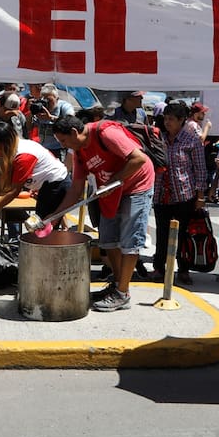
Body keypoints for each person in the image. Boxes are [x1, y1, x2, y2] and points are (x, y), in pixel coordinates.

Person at [53, 114, 155, 312]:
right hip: (111, 188)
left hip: (136, 186)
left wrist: (113, 181)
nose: (64, 146)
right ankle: (117, 285)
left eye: (64, 141)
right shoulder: (79, 152)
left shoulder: (105, 133)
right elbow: (75, 189)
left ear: (74, 132)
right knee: (108, 240)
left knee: (130, 241)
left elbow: (139, 158)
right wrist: (56, 216)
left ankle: (123, 293)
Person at [0, 120, 71, 228]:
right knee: (40, 227)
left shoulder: (23, 155)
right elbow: (1, 182)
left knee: (43, 229)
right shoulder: (10, 151)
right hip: (46, 187)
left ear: (6, 142)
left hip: (56, 185)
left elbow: (14, 191)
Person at [151, 101, 207, 285]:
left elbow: (200, 170)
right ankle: (159, 268)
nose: (167, 122)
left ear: (182, 120)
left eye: (171, 119)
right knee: (162, 233)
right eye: (165, 119)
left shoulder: (192, 141)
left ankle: (183, 269)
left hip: (184, 195)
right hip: (161, 195)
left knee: (183, 234)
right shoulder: (159, 139)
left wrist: (200, 196)